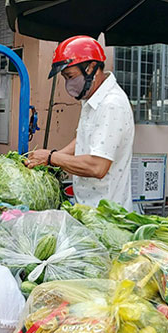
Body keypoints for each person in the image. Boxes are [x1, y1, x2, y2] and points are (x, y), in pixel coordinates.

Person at [26, 36, 134, 210]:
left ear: (91, 67)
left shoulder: (111, 104)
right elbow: (84, 139)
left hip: (106, 215)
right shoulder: (92, 99)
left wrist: (51, 157)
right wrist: (50, 162)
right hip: (87, 208)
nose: (68, 83)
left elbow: (98, 166)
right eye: (65, 77)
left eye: (70, 76)